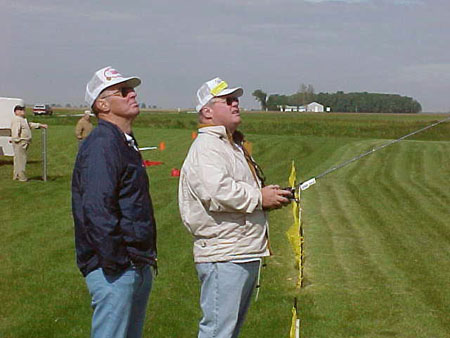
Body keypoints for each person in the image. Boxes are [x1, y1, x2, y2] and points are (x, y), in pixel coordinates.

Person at [178, 77, 292, 338]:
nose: (235, 104)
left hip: (241, 250)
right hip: (224, 254)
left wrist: (269, 196)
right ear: (207, 111)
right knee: (218, 331)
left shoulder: (230, 145)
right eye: (227, 101)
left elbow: (237, 189)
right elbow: (216, 192)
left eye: (236, 100)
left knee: (228, 331)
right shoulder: (207, 147)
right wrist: (258, 198)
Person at [72, 66, 157, 338]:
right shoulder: (102, 145)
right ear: (102, 104)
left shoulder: (123, 142)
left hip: (134, 264)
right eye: (123, 91)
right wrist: (117, 263)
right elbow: (97, 211)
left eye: (132, 89)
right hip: (116, 270)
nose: (132, 94)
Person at [10, 105, 48, 182]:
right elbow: (15, 131)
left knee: (19, 159)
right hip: (20, 143)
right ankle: (22, 177)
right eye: (22, 110)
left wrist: (40, 125)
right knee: (21, 160)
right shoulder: (17, 119)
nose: (24, 112)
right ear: (17, 111)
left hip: (23, 142)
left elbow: (29, 125)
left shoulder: (22, 120)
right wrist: (17, 140)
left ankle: (17, 176)